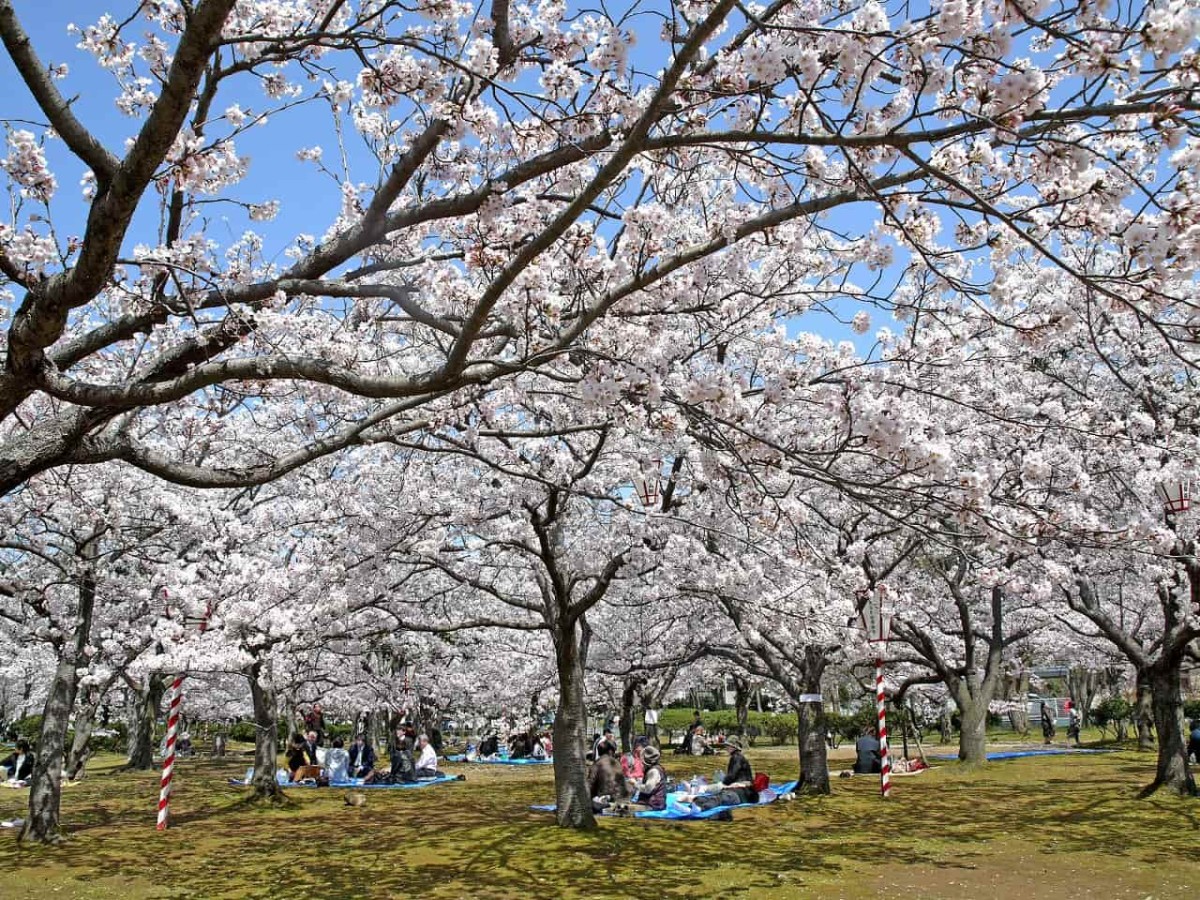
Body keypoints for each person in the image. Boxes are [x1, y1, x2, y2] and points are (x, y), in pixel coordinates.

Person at [587, 742, 628, 811]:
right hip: (620, 798)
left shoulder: (597, 764)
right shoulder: (617, 763)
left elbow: (590, 784)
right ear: (610, 751)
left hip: (604, 799)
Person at [631, 744, 668, 811]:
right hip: (652, 803)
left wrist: (634, 784)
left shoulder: (654, 771)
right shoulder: (656, 768)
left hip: (653, 805)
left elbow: (647, 790)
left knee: (621, 808)